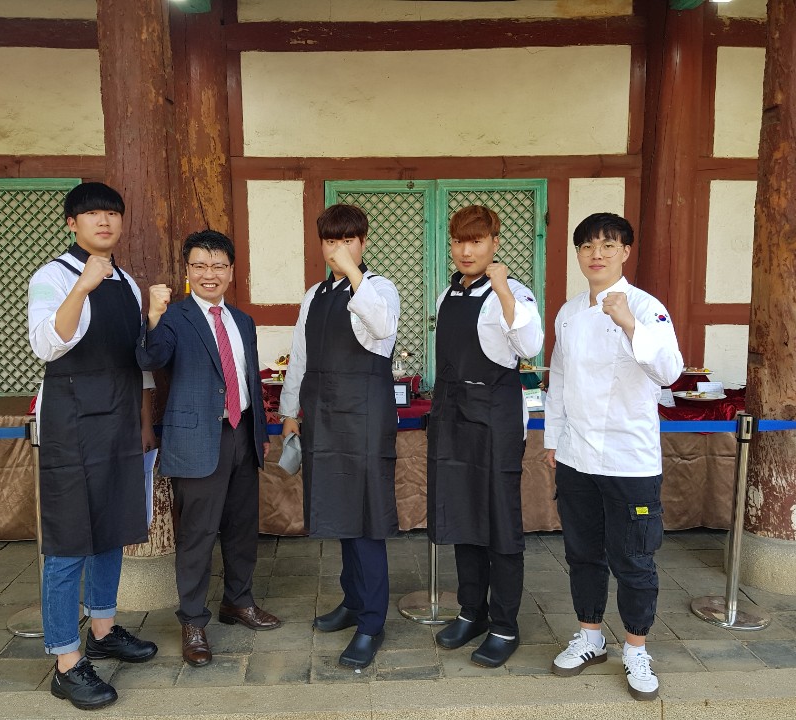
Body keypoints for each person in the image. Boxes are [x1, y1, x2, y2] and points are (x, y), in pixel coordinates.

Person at [28, 182, 158, 711]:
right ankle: (65, 659)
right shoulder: (53, 276)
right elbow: (46, 343)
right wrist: (82, 287)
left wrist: (145, 420)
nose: (103, 221)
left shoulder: (126, 281)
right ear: (71, 223)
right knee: (68, 542)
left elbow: (136, 359)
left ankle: (103, 630)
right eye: (91, 214)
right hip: (72, 424)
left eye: (112, 213)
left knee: (112, 529)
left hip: (121, 419)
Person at [544, 212, 683, 701]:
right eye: (586, 246)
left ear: (625, 251)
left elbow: (669, 371)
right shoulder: (568, 312)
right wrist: (554, 439)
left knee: (633, 558)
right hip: (577, 455)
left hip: (629, 459)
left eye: (607, 245)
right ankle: (590, 636)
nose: (596, 254)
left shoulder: (646, 307)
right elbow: (560, 378)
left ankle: (636, 647)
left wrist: (628, 323)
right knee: (582, 553)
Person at [136, 230, 280, 667]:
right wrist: (153, 315)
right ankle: (193, 621)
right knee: (197, 535)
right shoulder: (175, 318)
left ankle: (238, 601)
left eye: (218, 266)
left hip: (242, 433)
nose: (209, 274)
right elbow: (150, 359)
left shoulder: (242, 320)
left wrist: (260, 432)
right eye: (199, 266)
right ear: (187, 271)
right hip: (197, 439)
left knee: (241, 528)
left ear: (231, 271)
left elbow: (248, 379)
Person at [279, 203, 400, 670]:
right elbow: (301, 354)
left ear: (363, 242)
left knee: (366, 519)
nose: (338, 249)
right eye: (331, 241)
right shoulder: (314, 294)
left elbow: (382, 329)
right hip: (324, 415)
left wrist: (353, 274)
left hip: (365, 418)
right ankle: (352, 601)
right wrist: (290, 411)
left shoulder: (380, 288)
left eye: (348, 240)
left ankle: (372, 622)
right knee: (339, 514)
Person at [426, 205, 544, 668]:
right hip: (453, 415)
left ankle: (504, 624)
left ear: (495, 242)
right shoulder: (448, 293)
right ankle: (470, 612)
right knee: (462, 516)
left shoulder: (514, 292)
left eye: (476, 241)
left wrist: (502, 289)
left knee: (500, 524)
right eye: (459, 241)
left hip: (495, 420)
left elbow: (530, 346)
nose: (466, 250)